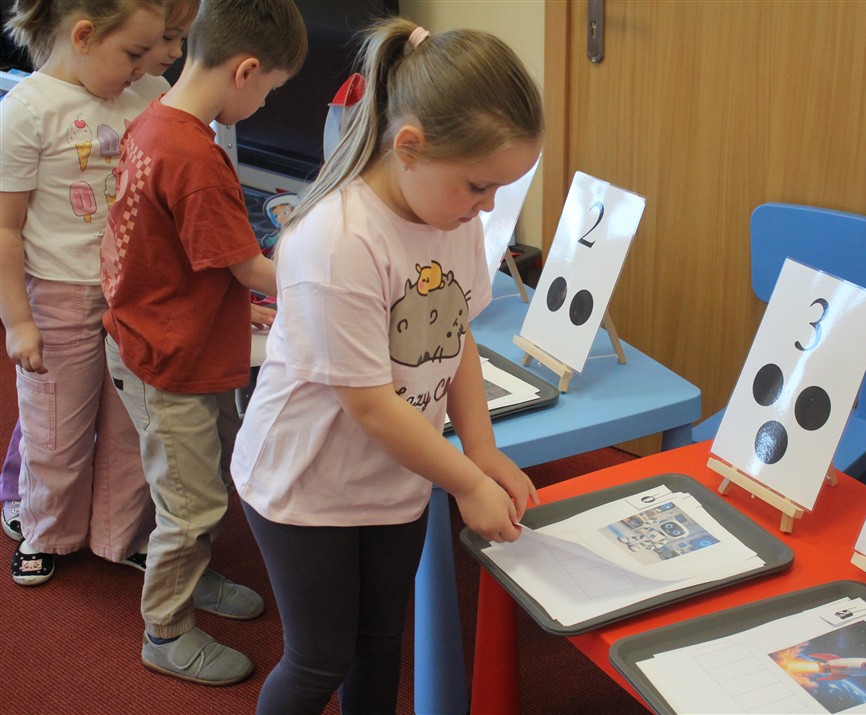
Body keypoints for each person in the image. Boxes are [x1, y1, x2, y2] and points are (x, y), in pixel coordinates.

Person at [230, 17, 543, 714]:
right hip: (303, 485)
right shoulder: (337, 241)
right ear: (409, 148)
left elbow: (456, 338)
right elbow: (370, 404)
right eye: (479, 186)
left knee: (379, 645)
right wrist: (466, 480)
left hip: (392, 476)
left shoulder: (452, 220)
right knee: (320, 659)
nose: (489, 207)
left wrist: (482, 450)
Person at [99, 0, 306, 686]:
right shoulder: (194, 156)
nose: (265, 103)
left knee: (209, 474)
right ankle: (164, 629)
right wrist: (328, 280)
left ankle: (195, 574)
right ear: (245, 71)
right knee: (191, 504)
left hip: (176, 337)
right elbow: (252, 268)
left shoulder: (156, 118)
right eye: (269, 90)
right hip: (169, 360)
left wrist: (244, 310)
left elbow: (185, 256)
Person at [0, 0, 200, 548]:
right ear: (84, 36)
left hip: (136, 294)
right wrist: (18, 322)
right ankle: (48, 535)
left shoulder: (149, 94)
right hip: (60, 295)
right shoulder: (28, 109)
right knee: (56, 429)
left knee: (132, 428)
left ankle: (119, 538)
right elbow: (5, 229)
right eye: (135, 52)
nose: (145, 65)